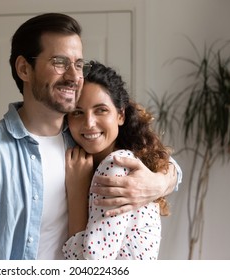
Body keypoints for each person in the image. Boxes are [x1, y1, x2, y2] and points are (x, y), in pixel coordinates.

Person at [0, 13, 182, 260]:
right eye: (59, 62)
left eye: (78, 64)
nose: (74, 76)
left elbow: (159, 162)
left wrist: (158, 183)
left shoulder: (83, 137)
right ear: (24, 68)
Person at [63, 61, 172, 260]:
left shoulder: (116, 165)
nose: (89, 123)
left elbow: (91, 265)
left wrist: (76, 194)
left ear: (120, 114)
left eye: (100, 110)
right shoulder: (105, 162)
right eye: (77, 112)